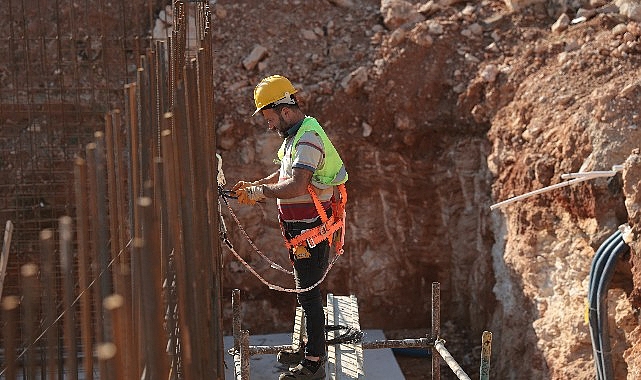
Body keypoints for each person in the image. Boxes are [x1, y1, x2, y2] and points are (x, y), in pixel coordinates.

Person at [232, 75, 348, 380]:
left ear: (285, 110)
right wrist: (258, 186)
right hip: (301, 234)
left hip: (311, 234)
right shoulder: (296, 137)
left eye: (270, 118)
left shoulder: (308, 138)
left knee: (309, 295)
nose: (270, 126)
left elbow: (297, 185)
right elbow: (283, 172)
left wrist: (261, 193)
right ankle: (309, 346)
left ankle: (313, 362)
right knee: (304, 293)